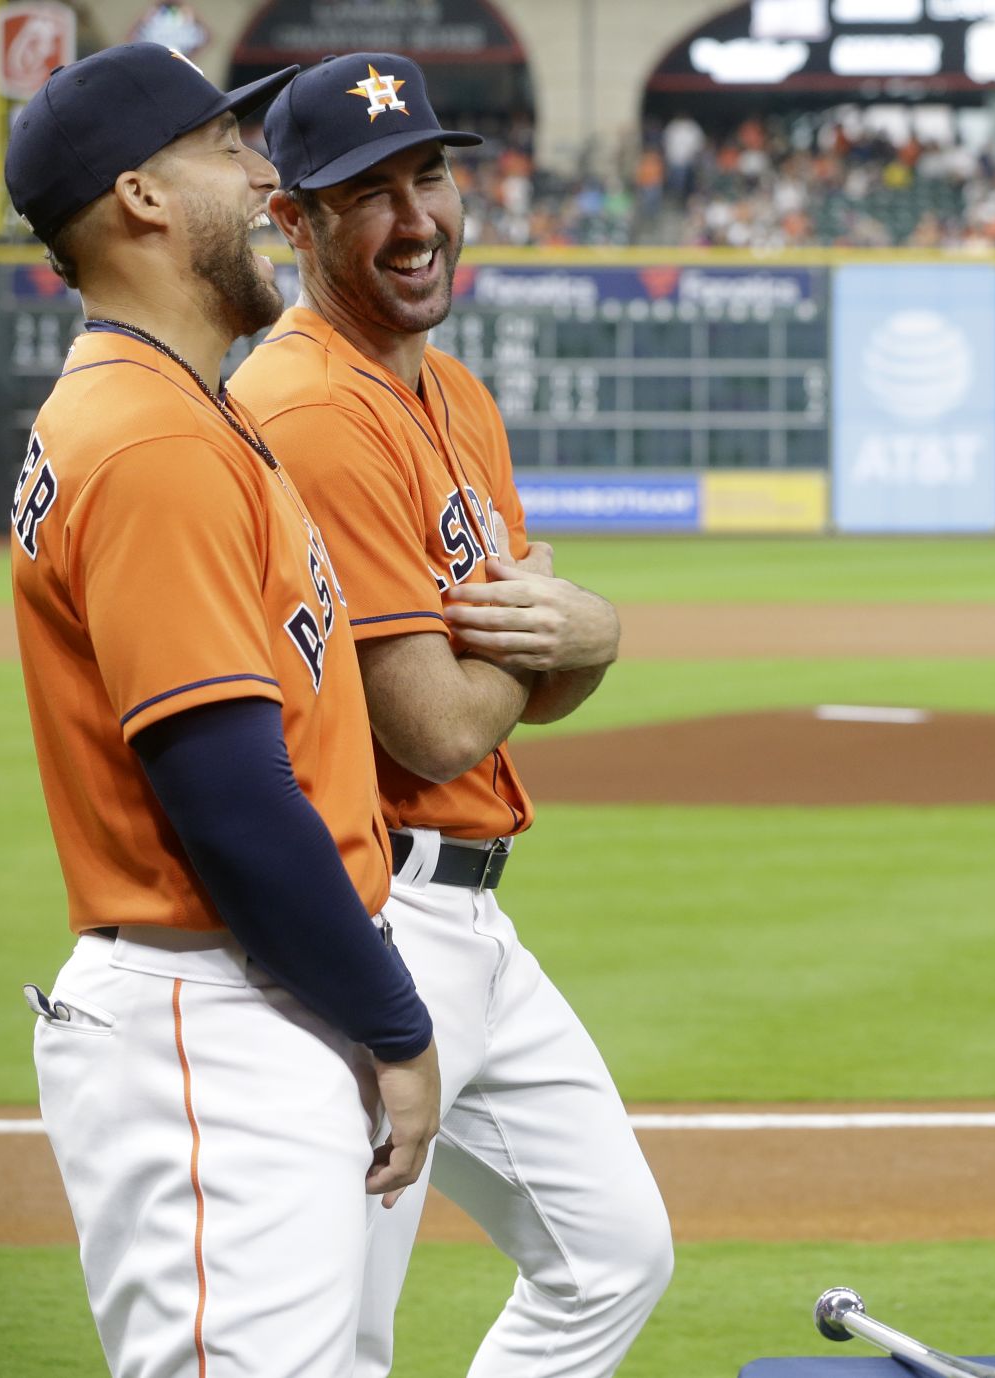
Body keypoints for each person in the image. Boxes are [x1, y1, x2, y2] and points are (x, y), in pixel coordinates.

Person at [227, 53, 671, 1376]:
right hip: (373, 908)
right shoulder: (307, 407)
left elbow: (538, 675)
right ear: (294, 222)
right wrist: (575, 629)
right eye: (369, 192)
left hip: (476, 913)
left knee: (612, 1253)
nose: (416, 216)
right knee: (337, 1335)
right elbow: (442, 720)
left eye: (430, 173)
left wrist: (567, 638)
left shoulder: (453, 393)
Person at [3, 44, 440, 1376]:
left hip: (242, 1003)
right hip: (207, 1014)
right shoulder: (151, 440)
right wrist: (400, 1028)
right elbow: (230, 796)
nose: (263, 178)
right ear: (141, 197)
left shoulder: (170, 411)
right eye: (225, 150)